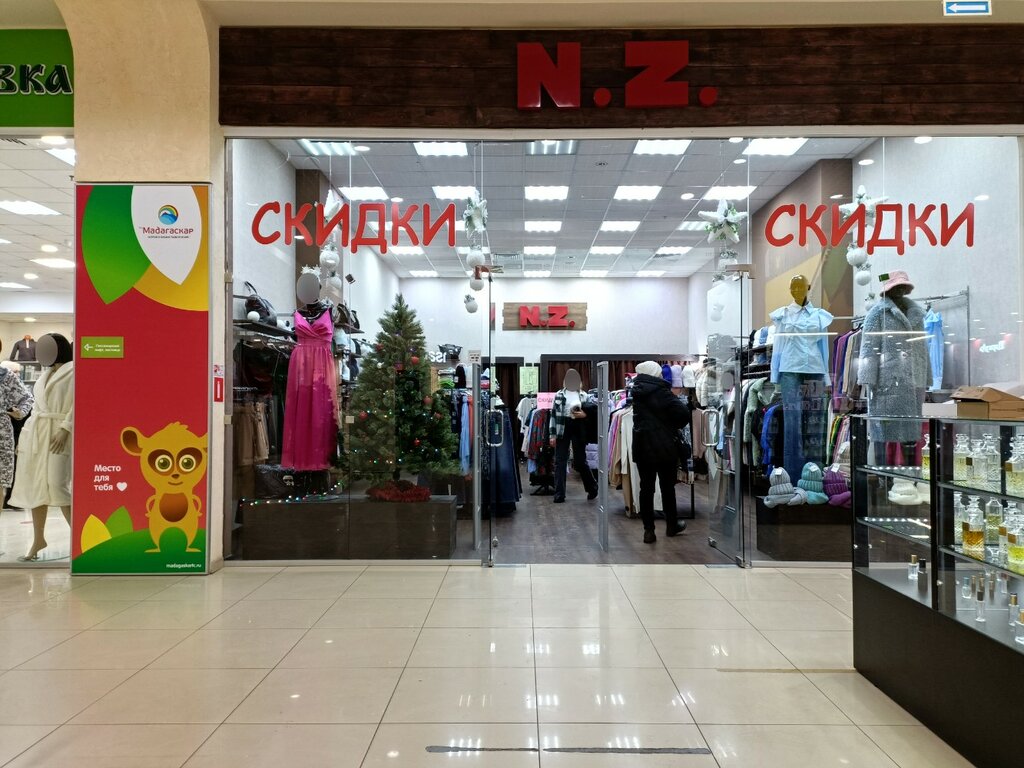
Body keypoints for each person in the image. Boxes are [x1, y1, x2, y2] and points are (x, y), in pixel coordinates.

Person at [10, 333, 73, 561]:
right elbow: (37, 409)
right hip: (37, 433)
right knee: (36, 487)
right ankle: (38, 539)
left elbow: (79, 402)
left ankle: (81, 538)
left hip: (59, 433)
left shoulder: (75, 371)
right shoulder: (44, 375)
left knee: (58, 485)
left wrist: (66, 428)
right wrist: (25, 438)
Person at [632, 360, 691, 543]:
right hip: (664, 446)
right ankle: (671, 525)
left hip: (642, 446)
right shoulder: (662, 392)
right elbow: (683, 413)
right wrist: (671, 425)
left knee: (646, 488)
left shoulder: (637, 391)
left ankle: (648, 530)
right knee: (667, 487)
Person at [549, 367, 598, 503]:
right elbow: (553, 415)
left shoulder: (584, 395)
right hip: (562, 426)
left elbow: (591, 414)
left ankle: (592, 487)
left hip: (578, 426)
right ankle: (559, 494)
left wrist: (584, 415)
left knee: (580, 461)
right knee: (560, 461)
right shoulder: (559, 394)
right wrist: (552, 435)